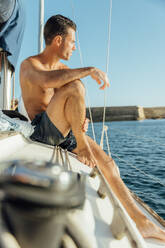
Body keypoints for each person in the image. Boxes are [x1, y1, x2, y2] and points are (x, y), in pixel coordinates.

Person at [20, 14, 165, 242]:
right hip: (42, 132)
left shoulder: (63, 68)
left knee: (108, 164)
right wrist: (89, 70)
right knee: (76, 86)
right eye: (73, 41)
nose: (75, 47)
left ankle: (142, 222)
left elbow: (68, 103)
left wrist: (78, 121)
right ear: (58, 40)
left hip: (63, 132)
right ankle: (82, 144)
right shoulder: (30, 66)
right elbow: (48, 82)